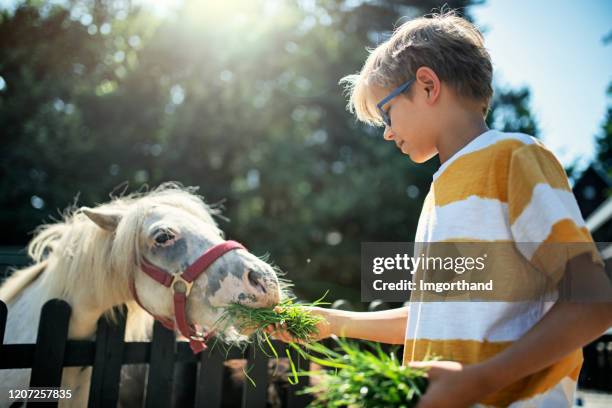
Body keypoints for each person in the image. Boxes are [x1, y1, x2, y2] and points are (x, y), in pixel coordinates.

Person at [265, 10, 612, 408]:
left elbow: (593, 300)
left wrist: (478, 381)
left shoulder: (515, 157)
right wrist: (332, 323)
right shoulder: (440, 192)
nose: (387, 131)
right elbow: (432, 317)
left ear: (428, 85)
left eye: (386, 113)